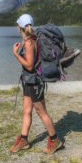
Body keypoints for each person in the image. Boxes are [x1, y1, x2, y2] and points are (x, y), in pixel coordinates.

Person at [10, 14, 62, 154]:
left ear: (19, 27)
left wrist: (16, 54)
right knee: (27, 110)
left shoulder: (29, 42)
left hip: (34, 82)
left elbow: (29, 66)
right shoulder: (32, 40)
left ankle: (55, 140)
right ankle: (24, 140)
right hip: (28, 81)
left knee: (41, 111)